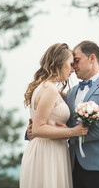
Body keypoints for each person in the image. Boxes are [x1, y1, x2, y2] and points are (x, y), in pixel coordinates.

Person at [28, 40, 99, 188]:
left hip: (98, 166)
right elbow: (55, 119)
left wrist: (75, 134)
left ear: (92, 58)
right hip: (70, 165)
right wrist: (31, 131)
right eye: (72, 62)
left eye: (77, 61)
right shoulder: (70, 93)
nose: (73, 66)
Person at [19, 43, 89, 188]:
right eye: (70, 64)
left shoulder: (47, 88)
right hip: (48, 152)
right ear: (58, 63)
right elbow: (38, 129)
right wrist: (72, 132)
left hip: (47, 150)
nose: (72, 70)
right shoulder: (49, 89)